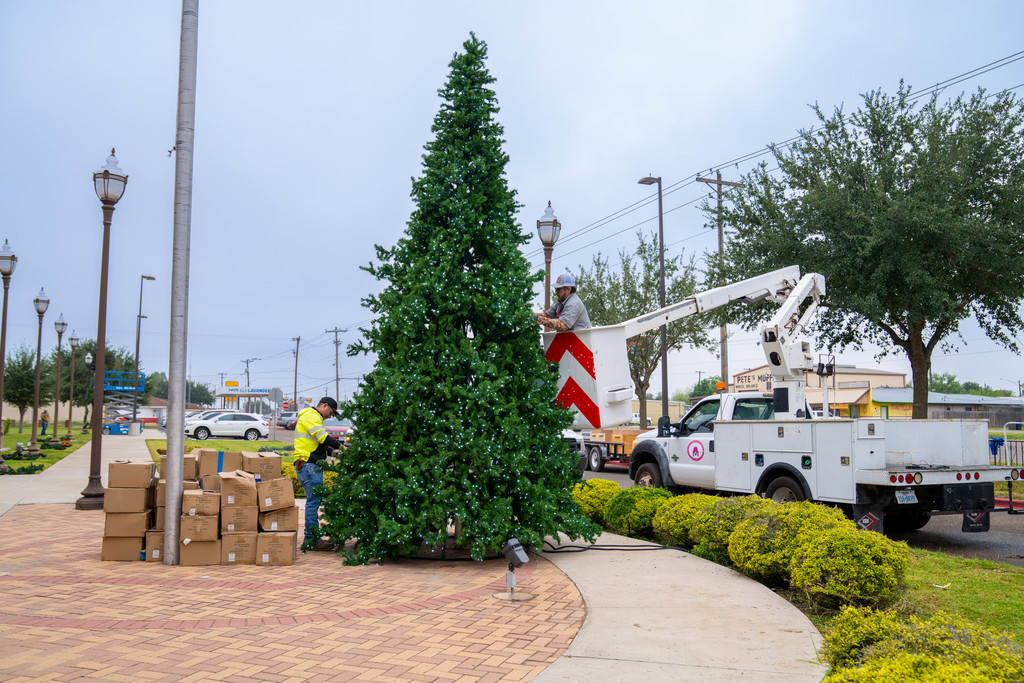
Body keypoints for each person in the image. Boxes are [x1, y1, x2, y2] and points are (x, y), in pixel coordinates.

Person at [293, 397, 343, 551]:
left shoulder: (312, 417)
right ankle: (312, 539)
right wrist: (342, 446)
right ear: (325, 405)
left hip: (309, 464)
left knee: (314, 501)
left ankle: (312, 538)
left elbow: (318, 444)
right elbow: (322, 437)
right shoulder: (311, 415)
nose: (331, 416)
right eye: (331, 412)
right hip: (308, 464)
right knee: (313, 502)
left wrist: (333, 452)